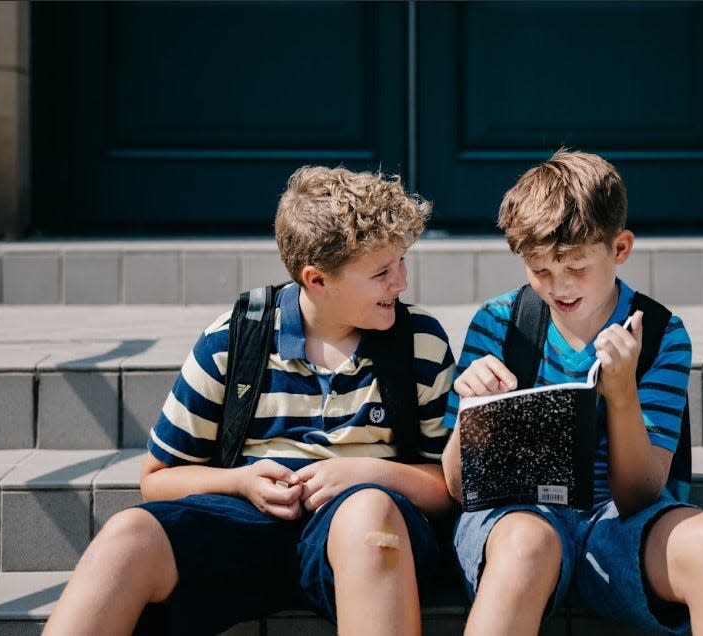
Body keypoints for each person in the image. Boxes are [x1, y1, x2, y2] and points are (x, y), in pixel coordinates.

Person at [44, 166, 456, 636]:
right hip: (246, 524)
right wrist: (240, 482)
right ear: (317, 280)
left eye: (402, 262)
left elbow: (448, 487)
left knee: (370, 517)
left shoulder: (418, 342)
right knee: (125, 537)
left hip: (371, 538)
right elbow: (157, 480)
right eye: (382, 272)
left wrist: (365, 473)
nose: (401, 282)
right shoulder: (234, 340)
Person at [441, 150, 703, 635]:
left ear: (620, 249)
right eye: (540, 270)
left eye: (575, 268)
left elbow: (640, 493)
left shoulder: (658, 333)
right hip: (517, 521)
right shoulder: (500, 323)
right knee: (527, 544)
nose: (559, 287)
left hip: (618, 523)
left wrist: (621, 395)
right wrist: (472, 412)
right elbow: (453, 485)